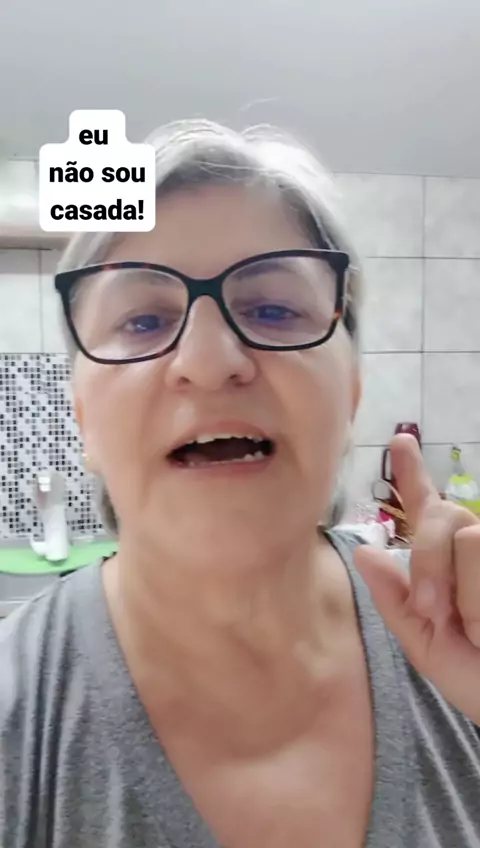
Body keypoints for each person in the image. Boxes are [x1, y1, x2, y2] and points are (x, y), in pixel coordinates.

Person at [1, 120, 480, 848]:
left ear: (350, 394)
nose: (208, 360)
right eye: (143, 320)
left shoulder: (461, 645)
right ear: (84, 419)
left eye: (273, 310)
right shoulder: (17, 714)